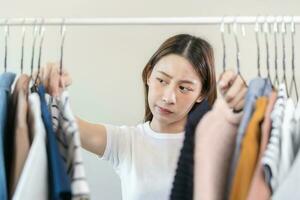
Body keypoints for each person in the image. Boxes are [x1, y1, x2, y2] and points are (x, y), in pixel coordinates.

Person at [37, 34, 247, 200]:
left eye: (184, 88)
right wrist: (52, 91)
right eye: (162, 80)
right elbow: (65, 124)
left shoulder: (213, 146)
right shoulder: (126, 142)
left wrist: (243, 107)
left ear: (201, 93)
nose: (168, 97)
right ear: (148, 74)